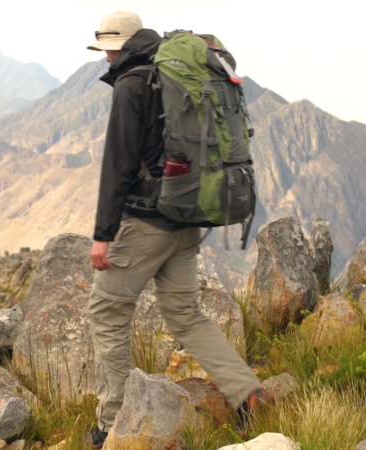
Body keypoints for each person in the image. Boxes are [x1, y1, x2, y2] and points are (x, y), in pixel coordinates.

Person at [84, 11, 271, 448]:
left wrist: (103, 232)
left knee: (107, 314)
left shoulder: (133, 84)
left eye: (108, 47)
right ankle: (249, 394)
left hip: (144, 223)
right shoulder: (174, 74)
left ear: (121, 45)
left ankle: (112, 421)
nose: (105, 55)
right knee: (185, 315)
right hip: (187, 215)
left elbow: (119, 163)